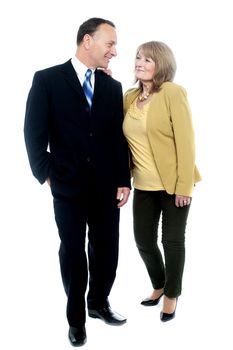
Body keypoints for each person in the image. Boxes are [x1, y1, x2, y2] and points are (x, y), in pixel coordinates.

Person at [24, 17, 131, 346]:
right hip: (67, 186)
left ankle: (98, 303)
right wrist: (47, 174)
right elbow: (33, 133)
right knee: (73, 253)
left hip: (105, 187)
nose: (115, 50)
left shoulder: (112, 87)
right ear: (88, 41)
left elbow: (116, 138)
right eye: (109, 43)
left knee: (107, 253)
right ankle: (76, 319)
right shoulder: (47, 80)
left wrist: (123, 180)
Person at [123, 41, 201, 322]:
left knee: (172, 240)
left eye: (148, 60)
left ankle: (171, 294)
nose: (140, 63)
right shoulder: (129, 97)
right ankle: (159, 283)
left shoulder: (172, 93)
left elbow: (186, 142)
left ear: (162, 65)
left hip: (172, 185)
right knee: (143, 240)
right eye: (138, 57)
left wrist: (184, 186)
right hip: (143, 185)